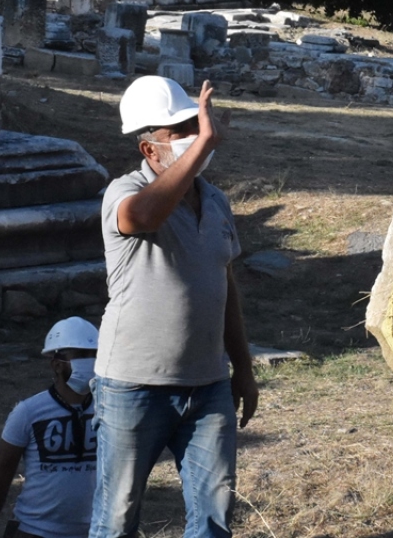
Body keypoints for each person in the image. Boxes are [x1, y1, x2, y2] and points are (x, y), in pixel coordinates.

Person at [90, 76, 258, 538]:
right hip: (132, 386)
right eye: (183, 130)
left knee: (213, 518)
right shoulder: (124, 193)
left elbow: (224, 287)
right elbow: (142, 217)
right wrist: (203, 143)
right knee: (117, 519)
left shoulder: (216, 201)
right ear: (150, 150)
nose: (197, 136)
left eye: (196, 125)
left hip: (208, 386)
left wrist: (242, 367)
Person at [0, 318, 100, 538]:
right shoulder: (29, 412)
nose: (90, 362)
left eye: (94, 354)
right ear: (57, 363)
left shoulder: (109, 408)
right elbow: (2, 471)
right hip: (35, 531)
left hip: (96, 530)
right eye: (80, 355)